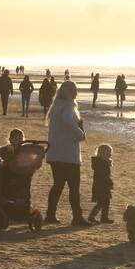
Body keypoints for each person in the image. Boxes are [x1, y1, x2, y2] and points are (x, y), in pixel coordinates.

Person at [45, 81, 91, 226]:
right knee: (74, 187)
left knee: (58, 185)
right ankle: (77, 217)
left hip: (55, 152)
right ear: (68, 92)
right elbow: (67, 120)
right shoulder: (68, 105)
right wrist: (80, 133)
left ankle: (50, 215)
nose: (75, 93)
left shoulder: (56, 105)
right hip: (67, 153)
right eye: (73, 90)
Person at [88, 143, 114, 224]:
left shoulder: (102, 162)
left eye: (110, 152)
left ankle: (103, 217)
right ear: (102, 153)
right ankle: (93, 217)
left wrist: (109, 182)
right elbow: (103, 175)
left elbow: (105, 175)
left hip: (103, 185)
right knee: (101, 203)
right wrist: (109, 182)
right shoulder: (100, 163)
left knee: (105, 202)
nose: (110, 154)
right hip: (100, 186)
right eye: (108, 152)